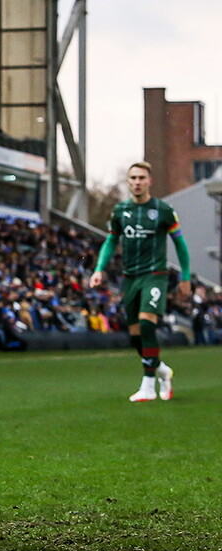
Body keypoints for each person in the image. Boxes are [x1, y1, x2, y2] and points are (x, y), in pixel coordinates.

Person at [89, 161, 191, 402]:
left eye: (141, 178)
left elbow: (180, 244)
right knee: (135, 336)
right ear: (128, 182)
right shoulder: (120, 211)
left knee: (147, 324)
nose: (137, 182)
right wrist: (99, 269)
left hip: (155, 276)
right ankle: (162, 370)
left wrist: (186, 277)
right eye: (133, 178)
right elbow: (111, 241)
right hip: (130, 278)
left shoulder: (163, 210)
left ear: (149, 182)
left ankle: (148, 386)